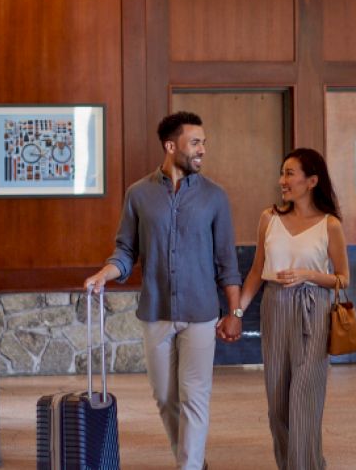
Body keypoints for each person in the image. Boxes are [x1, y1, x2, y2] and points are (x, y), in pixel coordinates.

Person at [85, 112, 241, 470]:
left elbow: (227, 263)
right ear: (172, 146)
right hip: (155, 311)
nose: (202, 149)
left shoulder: (215, 197)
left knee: (194, 397)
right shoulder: (138, 195)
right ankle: (195, 461)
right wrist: (104, 275)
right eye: (195, 142)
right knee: (165, 397)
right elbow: (125, 250)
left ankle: (188, 466)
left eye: (204, 142)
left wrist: (234, 313)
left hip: (201, 314)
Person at [236, 149, 350, 469]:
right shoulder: (268, 219)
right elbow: (257, 270)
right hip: (275, 307)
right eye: (282, 173)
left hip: (315, 309)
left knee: (304, 399)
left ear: (312, 181)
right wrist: (237, 313)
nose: (282, 180)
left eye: (290, 174)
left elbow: (344, 278)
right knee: (278, 404)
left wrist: (308, 275)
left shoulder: (330, 225)